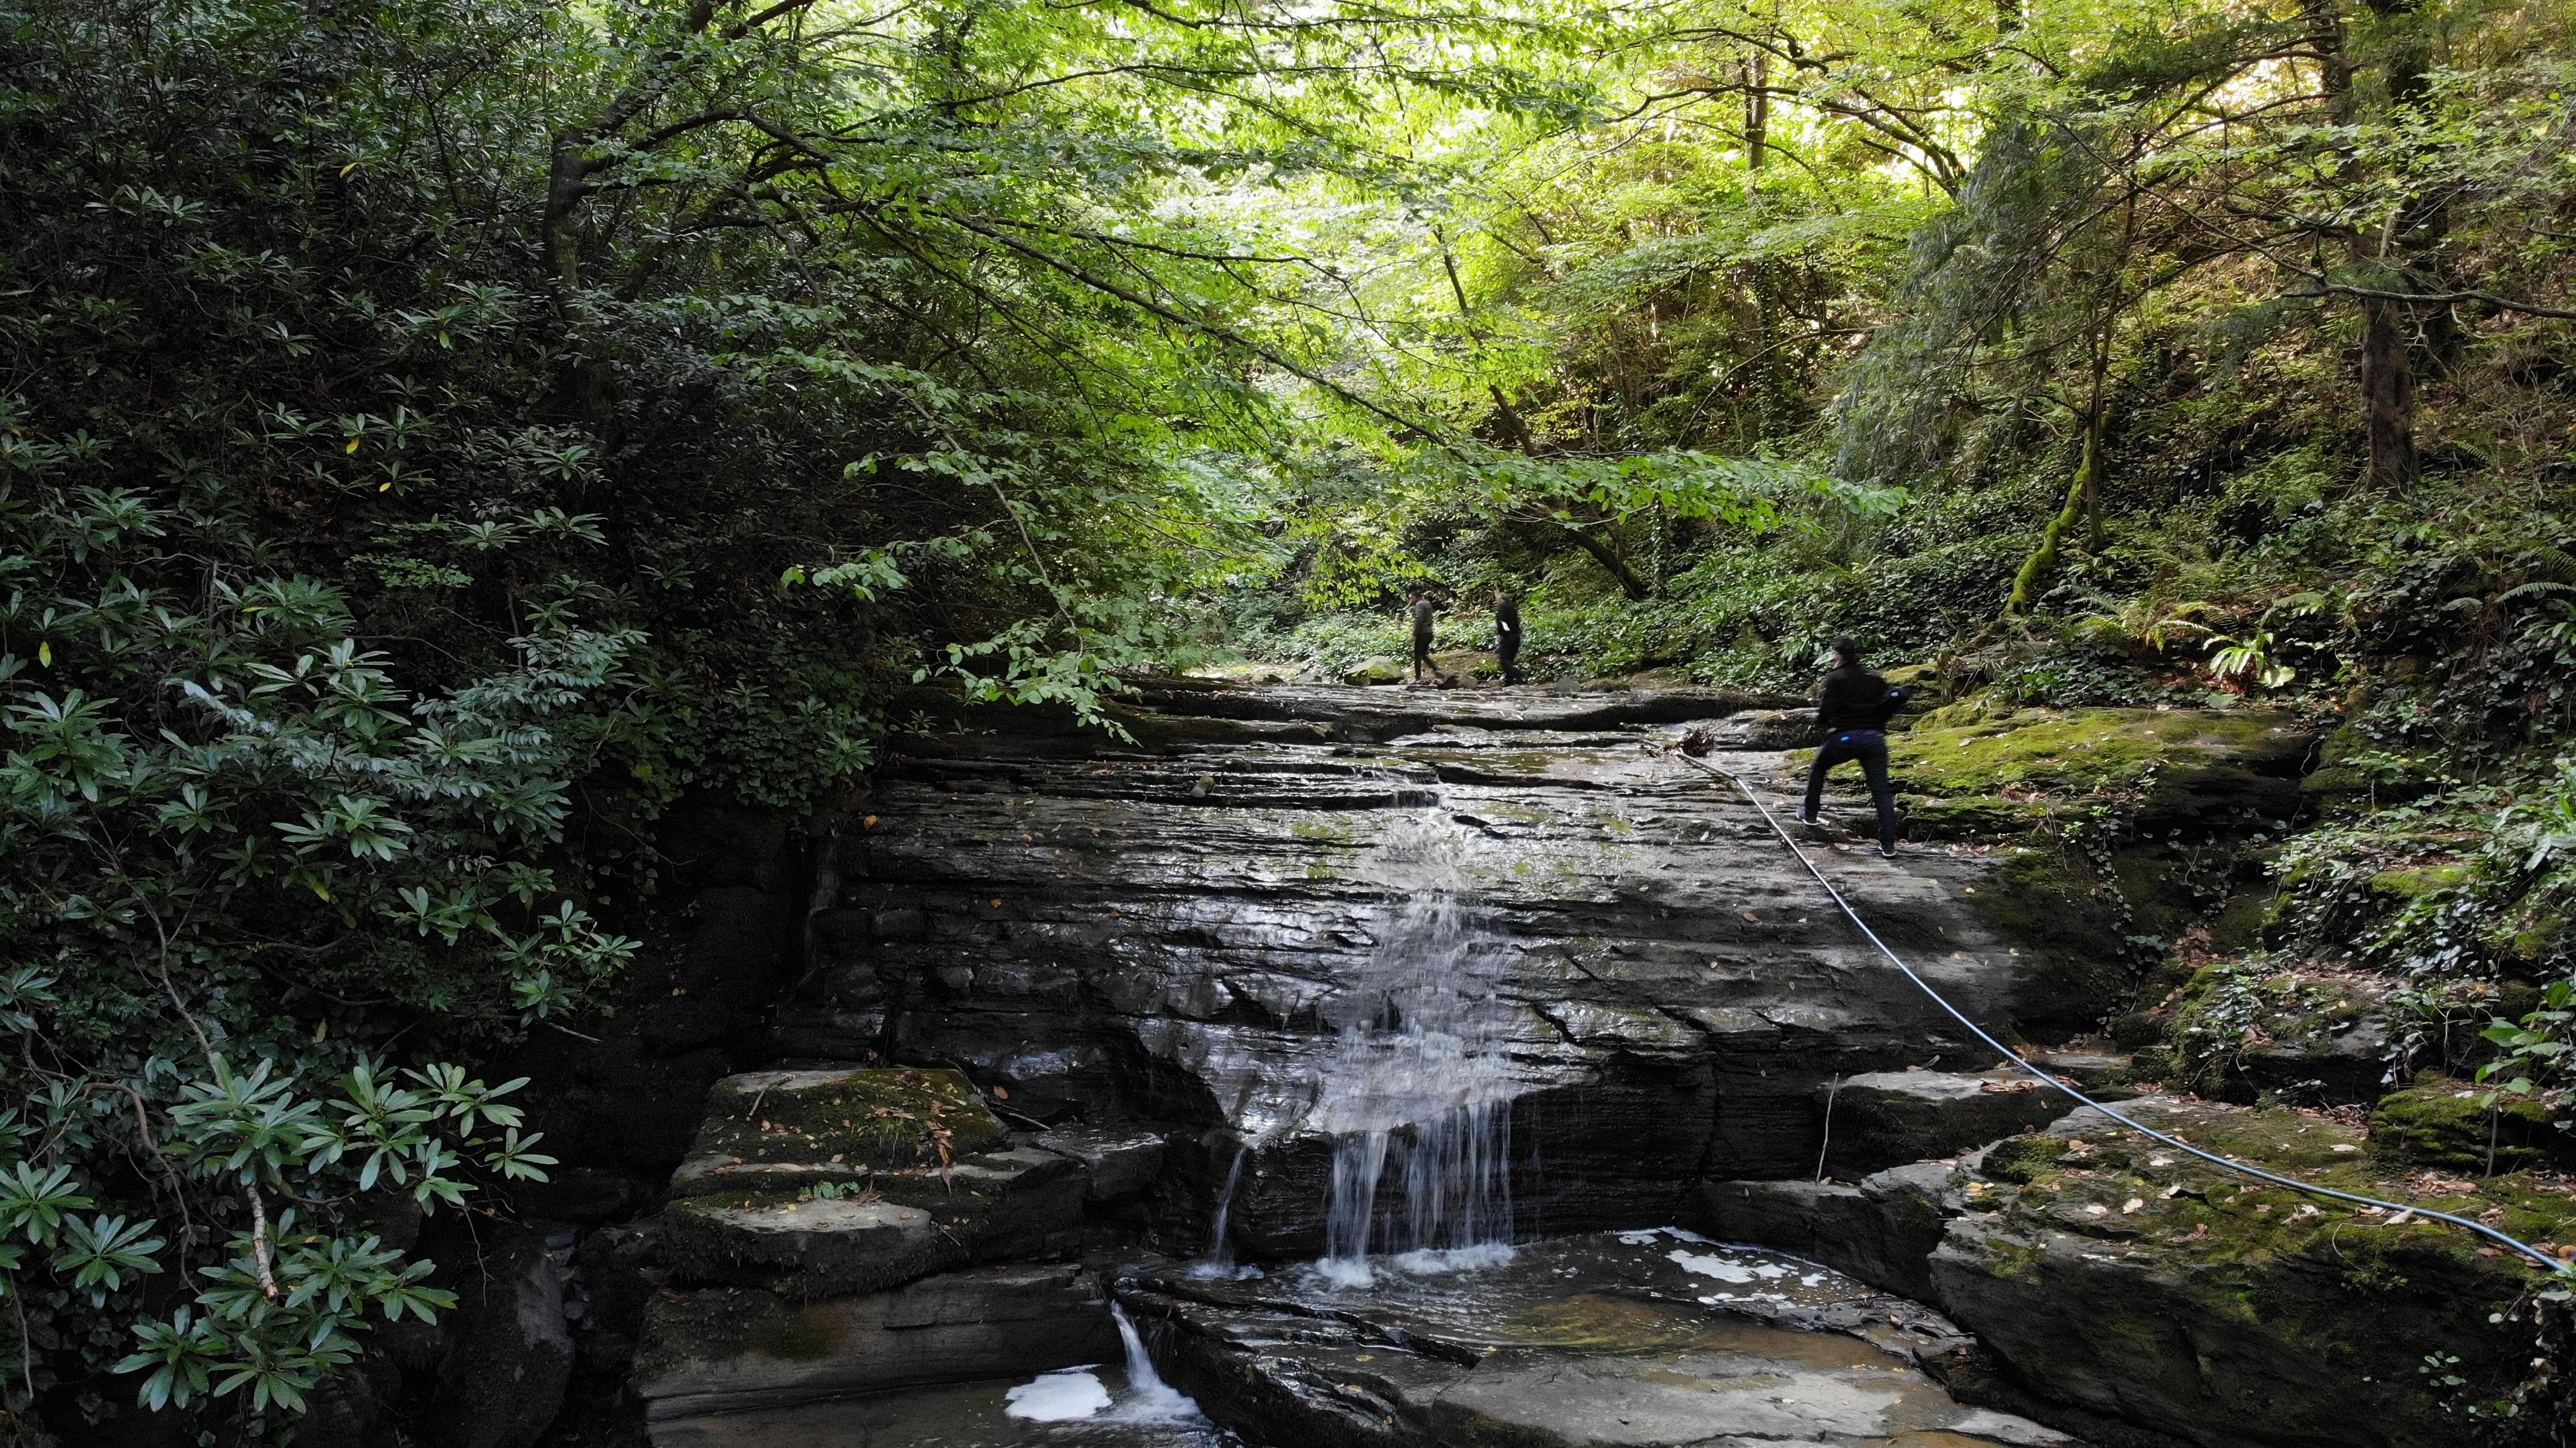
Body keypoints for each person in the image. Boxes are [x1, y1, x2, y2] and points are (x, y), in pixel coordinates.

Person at [1799, 637, 1910, 858]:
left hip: (1844, 738)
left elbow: (1825, 713)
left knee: (1820, 768)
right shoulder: (1874, 678)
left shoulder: (1835, 678)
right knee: (1881, 791)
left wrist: (1824, 723)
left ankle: (1810, 814)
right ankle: (1888, 845)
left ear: (1839, 656)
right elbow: (1887, 703)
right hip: (1874, 739)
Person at [1409, 587, 1440, 684]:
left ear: (1415, 598)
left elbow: (1419, 619)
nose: (1410, 600)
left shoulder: (1419, 605)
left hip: (1422, 633)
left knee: (1418, 655)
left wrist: (1415, 634)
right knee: (1423, 654)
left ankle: (1418, 677)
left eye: (1411, 598)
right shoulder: (1427, 603)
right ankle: (1437, 670)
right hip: (1429, 632)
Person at [1493, 588, 1522, 685]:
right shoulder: (1512, 608)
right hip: (1516, 636)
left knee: (1504, 659)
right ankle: (1509, 681)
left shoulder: (1503, 608)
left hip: (1508, 637)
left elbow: (1503, 623)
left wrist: (1502, 634)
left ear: (1501, 599)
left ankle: (1519, 675)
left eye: (1497, 599)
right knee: (1509, 659)